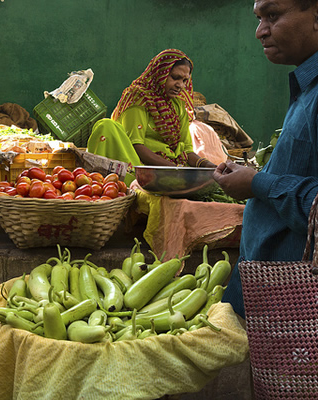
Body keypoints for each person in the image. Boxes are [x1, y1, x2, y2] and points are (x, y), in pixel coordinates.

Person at [213, 0, 318, 318]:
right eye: (259, 18)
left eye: (273, 16)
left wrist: (258, 182)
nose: (260, 31)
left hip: (296, 302)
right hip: (272, 290)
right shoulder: (307, 87)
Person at [87, 49, 216, 184]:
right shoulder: (139, 98)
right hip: (142, 165)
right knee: (106, 126)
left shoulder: (177, 105)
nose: (180, 85)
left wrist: (208, 166)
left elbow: (187, 150)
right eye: (175, 77)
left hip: (172, 166)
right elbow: (136, 145)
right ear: (160, 74)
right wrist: (176, 170)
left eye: (185, 80)